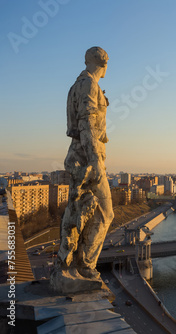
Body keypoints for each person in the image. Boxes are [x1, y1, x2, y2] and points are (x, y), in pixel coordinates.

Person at [51, 46, 114, 289]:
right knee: (103, 212)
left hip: (81, 156)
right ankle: (83, 266)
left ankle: (71, 263)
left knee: (80, 209)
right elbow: (86, 124)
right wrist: (95, 160)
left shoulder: (77, 84)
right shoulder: (89, 85)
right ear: (104, 63)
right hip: (87, 158)